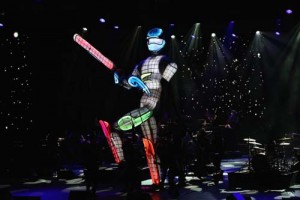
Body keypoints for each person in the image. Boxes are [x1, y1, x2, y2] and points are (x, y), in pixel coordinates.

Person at [99, 27, 178, 188]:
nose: (152, 43)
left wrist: (163, 104)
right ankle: (153, 178)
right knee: (149, 143)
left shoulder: (168, 62)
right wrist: (120, 79)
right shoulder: (141, 64)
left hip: (153, 103)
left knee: (121, 126)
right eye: (149, 40)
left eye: (155, 40)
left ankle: (124, 159)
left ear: (163, 41)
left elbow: (166, 86)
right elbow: (129, 83)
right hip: (144, 103)